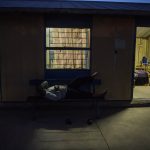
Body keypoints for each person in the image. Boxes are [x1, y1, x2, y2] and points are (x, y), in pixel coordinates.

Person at [38, 72, 106, 101]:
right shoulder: (48, 95)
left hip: (67, 87)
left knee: (78, 79)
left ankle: (91, 77)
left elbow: (45, 82)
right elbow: (57, 98)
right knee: (81, 94)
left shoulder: (46, 89)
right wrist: (57, 89)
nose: (43, 88)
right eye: (42, 89)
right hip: (67, 93)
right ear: (42, 92)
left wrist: (44, 86)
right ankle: (97, 95)